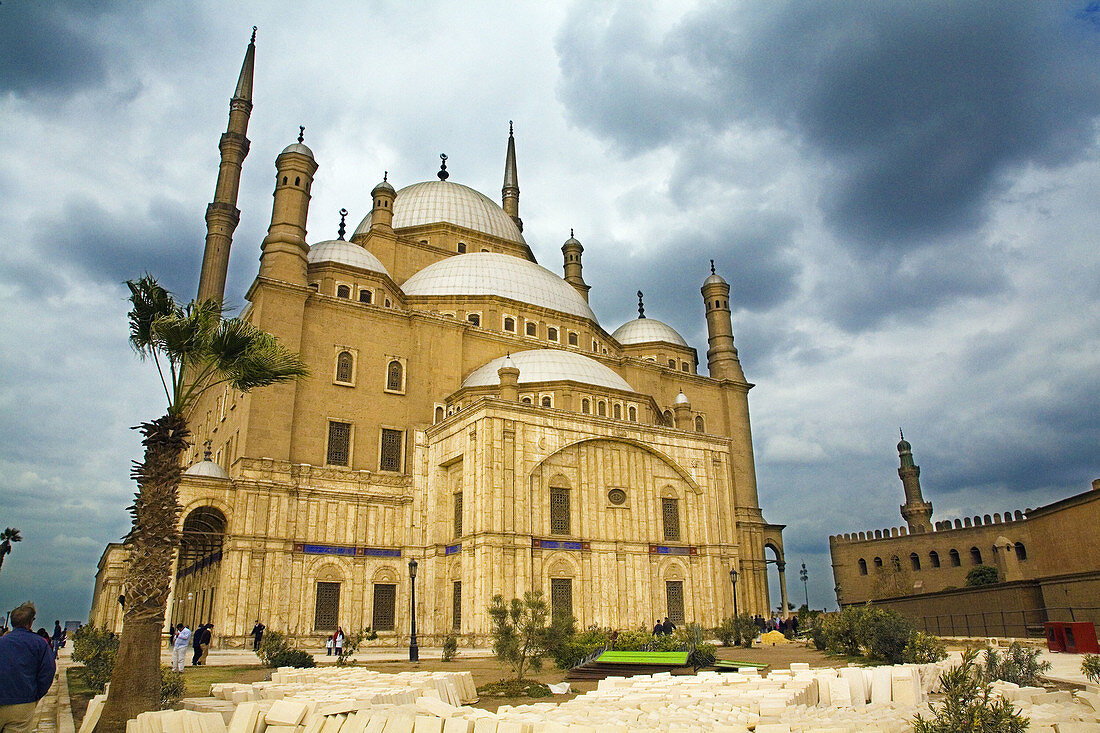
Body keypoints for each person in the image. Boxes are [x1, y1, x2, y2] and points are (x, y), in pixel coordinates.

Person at [0, 602, 56, 733]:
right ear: (30, 622)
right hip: (23, 704)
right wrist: (35, 695)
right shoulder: (40, 644)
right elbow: (47, 673)